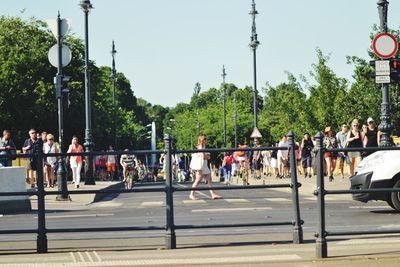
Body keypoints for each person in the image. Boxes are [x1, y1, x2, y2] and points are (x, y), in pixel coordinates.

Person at [189, 135, 222, 200]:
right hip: (201, 166)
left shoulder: (203, 147)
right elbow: (203, 157)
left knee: (209, 179)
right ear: (201, 140)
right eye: (204, 139)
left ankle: (213, 194)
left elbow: (204, 156)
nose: (206, 140)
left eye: (205, 139)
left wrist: (207, 156)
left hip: (204, 165)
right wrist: (208, 156)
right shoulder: (200, 147)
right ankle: (191, 194)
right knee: (198, 180)